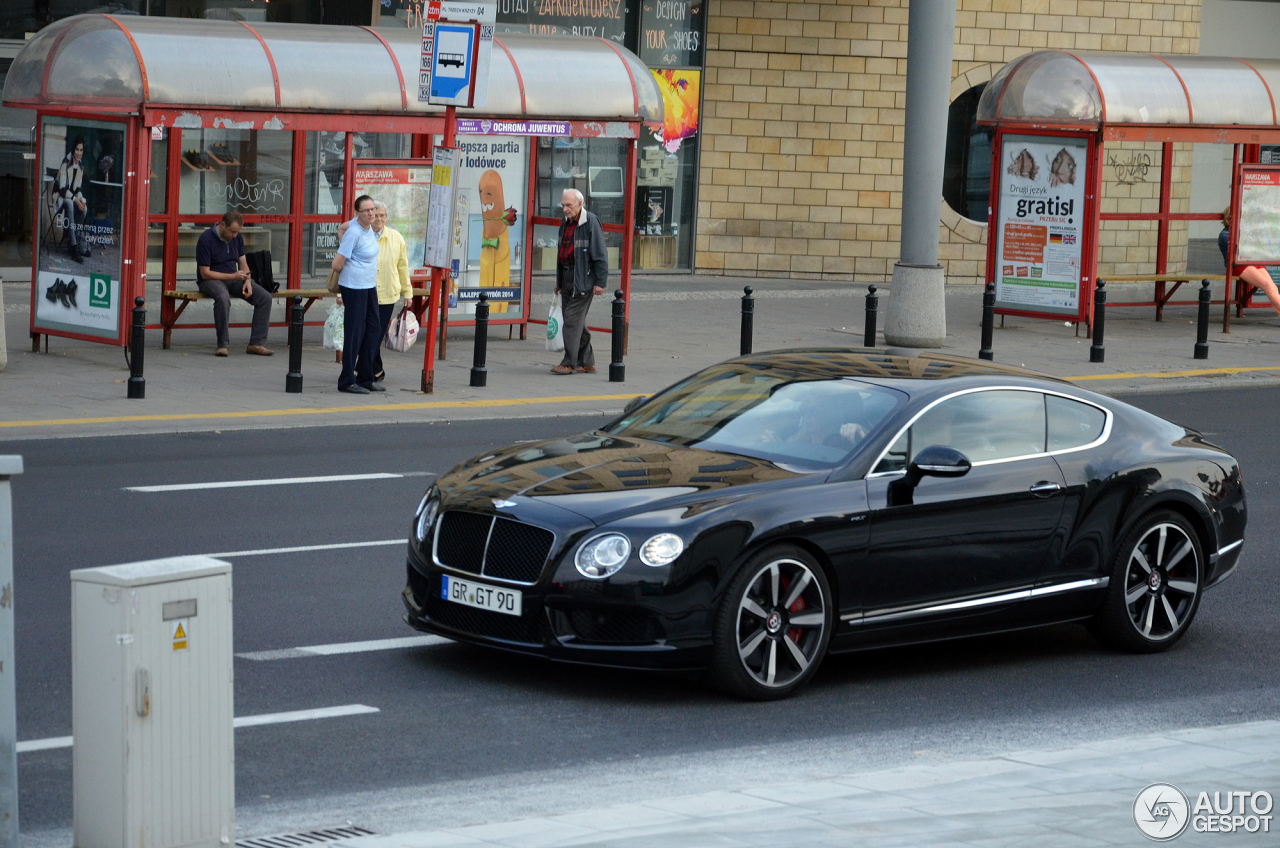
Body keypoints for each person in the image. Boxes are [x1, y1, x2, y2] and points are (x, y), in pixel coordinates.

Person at [339, 201, 411, 381]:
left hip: (385, 293)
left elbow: (403, 267)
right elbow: (341, 264)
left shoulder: (395, 237)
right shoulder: (359, 233)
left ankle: (367, 373)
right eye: (373, 213)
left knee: (374, 334)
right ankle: (364, 373)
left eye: (381, 215)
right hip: (361, 290)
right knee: (360, 334)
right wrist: (340, 293)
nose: (377, 218)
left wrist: (407, 292)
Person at [196, 210, 273, 357]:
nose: (235, 235)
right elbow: (205, 273)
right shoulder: (206, 239)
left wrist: (248, 280)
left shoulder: (237, 238)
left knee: (264, 297)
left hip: (234, 279)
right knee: (223, 298)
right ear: (223, 224)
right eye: (232, 231)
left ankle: (256, 343)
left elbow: (243, 263)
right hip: (211, 280)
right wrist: (232, 276)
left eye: (237, 232)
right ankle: (222, 344)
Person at [551, 188, 608, 375]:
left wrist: (600, 281)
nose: (565, 209)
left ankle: (569, 363)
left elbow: (600, 254)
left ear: (580, 204)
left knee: (571, 322)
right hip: (567, 277)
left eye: (569, 205)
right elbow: (561, 254)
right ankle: (587, 361)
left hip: (583, 280)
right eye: (563, 205)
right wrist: (559, 281)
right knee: (576, 322)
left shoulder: (590, 221)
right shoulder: (565, 222)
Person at [331, 195, 383, 394]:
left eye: (373, 209)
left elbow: (340, 228)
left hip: (369, 286)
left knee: (373, 329)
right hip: (353, 287)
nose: (371, 213)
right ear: (358, 213)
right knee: (355, 332)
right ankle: (346, 381)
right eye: (366, 211)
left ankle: (365, 377)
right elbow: (336, 264)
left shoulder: (364, 227)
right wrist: (351, 265)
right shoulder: (354, 232)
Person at [1219, 206, 1280, 316]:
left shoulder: (1244, 232)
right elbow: (1241, 251)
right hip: (1239, 265)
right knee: (1267, 285)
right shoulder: (1225, 235)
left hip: (1253, 262)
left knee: (1272, 286)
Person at [55, 136, 90, 263]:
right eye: (77, 149)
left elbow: (78, 189)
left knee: (84, 210)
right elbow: (63, 190)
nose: (79, 153)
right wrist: (75, 200)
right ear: (73, 149)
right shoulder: (66, 163)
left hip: (71, 197)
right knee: (70, 203)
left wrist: (80, 201)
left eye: (81, 150)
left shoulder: (80, 167)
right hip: (60, 197)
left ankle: (72, 239)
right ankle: (74, 248)